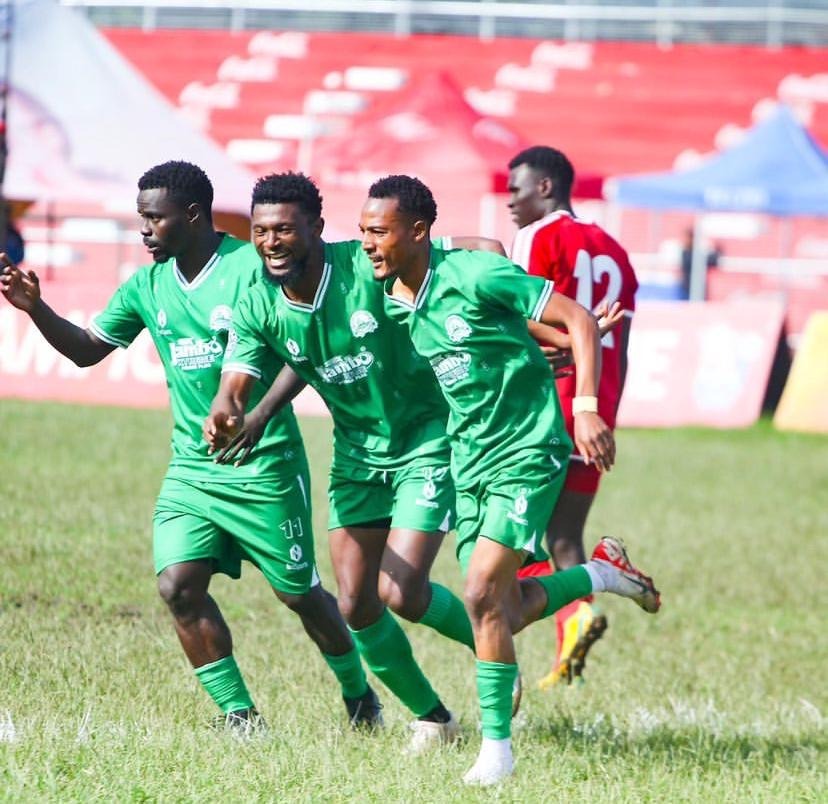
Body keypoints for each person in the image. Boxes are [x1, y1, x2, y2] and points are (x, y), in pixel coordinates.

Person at [0, 161, 378, 733]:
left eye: (155, 218)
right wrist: (36, 308)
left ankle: (359, 694)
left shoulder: (253, 266)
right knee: (177, 586)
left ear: (194, 215)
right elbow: (86, 350)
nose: (144, 230)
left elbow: (306, 347)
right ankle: (240, 718)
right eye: (142, 218)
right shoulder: (147, 286)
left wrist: (256, 416)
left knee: (299, 595)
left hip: (264, 462)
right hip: (192, 468)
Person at [364, 174, 661, 785]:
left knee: (479, 592)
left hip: (528, 449)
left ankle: (496, 754)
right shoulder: (395, 297)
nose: (368, 243)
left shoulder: (475, 272)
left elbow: (578, 316)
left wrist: (585, 407)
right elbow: (511, 332)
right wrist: (555, 341)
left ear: (417, 231)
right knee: (505, 606)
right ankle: (603, 573)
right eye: (363, 231)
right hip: (467, 461)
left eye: (380, 232)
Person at [204, 172, 467, 753]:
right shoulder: (257, 302)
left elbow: (473, 256)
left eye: (284, 230)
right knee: (355, 603)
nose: (271, 242)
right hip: (355, 453)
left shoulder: (369, 264)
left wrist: (528, 319)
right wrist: (231, 411)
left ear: (317, 228)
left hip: (426, 438)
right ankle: (434, 718)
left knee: (402, 591)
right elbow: (243, 380)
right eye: (260, 231)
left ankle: (493, 647)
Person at [507, 146, 640, 687]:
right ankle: (571, 639)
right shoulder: (616, 251)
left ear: (545, 186)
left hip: (541, 408)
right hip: (594, 411)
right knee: (564, 536)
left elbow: (512, 314)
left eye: (516, 189)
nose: (510, 202)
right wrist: (605, 413)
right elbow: (620, 346)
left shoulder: (538, 237)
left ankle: (566, 612)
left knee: (501, 535)